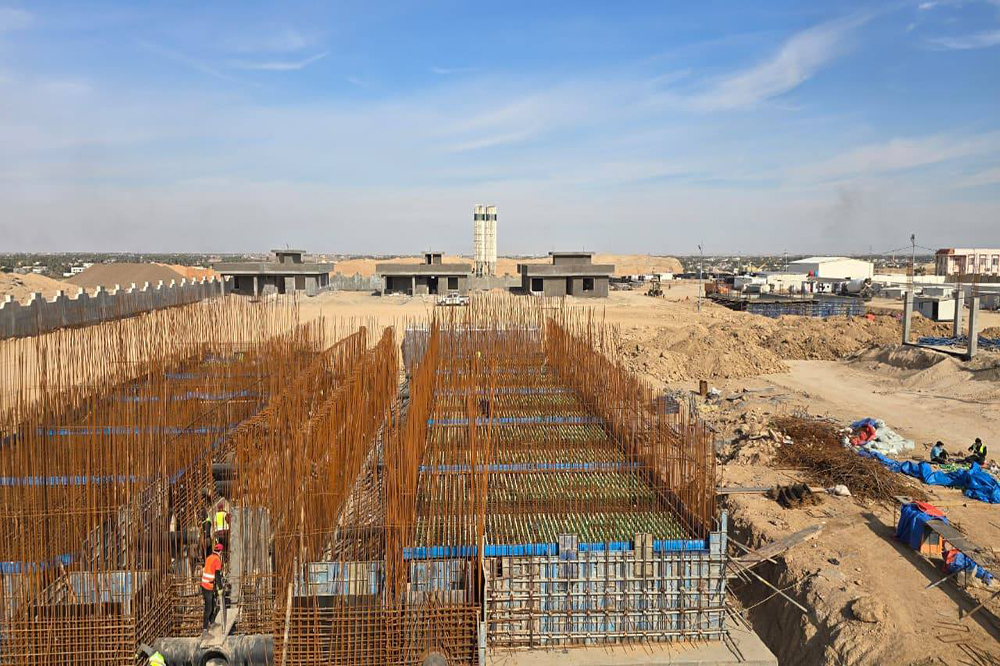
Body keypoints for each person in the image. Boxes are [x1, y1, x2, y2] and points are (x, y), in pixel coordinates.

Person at [201, 542, 224, 633]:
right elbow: (217, 576)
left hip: (204, 585)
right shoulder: (217, 560)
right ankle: (204, 630)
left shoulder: (209, 557)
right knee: (208, 608)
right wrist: (220, 588)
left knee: (213, 604)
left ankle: (212, 622)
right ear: (220, 551)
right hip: (208, 586)